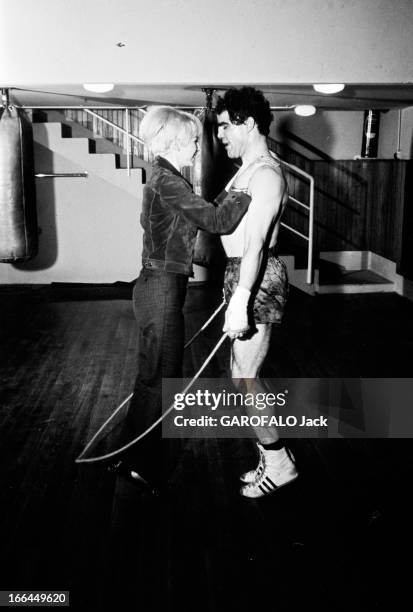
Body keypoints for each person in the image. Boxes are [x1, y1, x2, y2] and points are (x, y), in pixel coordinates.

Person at [114, 105, 251, 491]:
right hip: (160, 288)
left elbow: (207, 209)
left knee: (151, 379)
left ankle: (129, 455)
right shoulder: (168, 182)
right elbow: (218, 220)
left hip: (158, 286)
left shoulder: (166, 178)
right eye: (192, 140)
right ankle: (145, 465)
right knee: (163, 381)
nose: (196, 147)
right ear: (174, 141)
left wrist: (235, 185)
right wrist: (246, 192)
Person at [215, 87, 298, 498]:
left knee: (247, 378)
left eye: (226, 125)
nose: (221, 135)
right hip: (240, 274)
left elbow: (257, 243)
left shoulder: (266, 173)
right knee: (239, 377)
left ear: (249, 124)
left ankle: (280, 463)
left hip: (257, 276)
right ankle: (270, 455)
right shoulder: (244, 169)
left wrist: (242, 296)